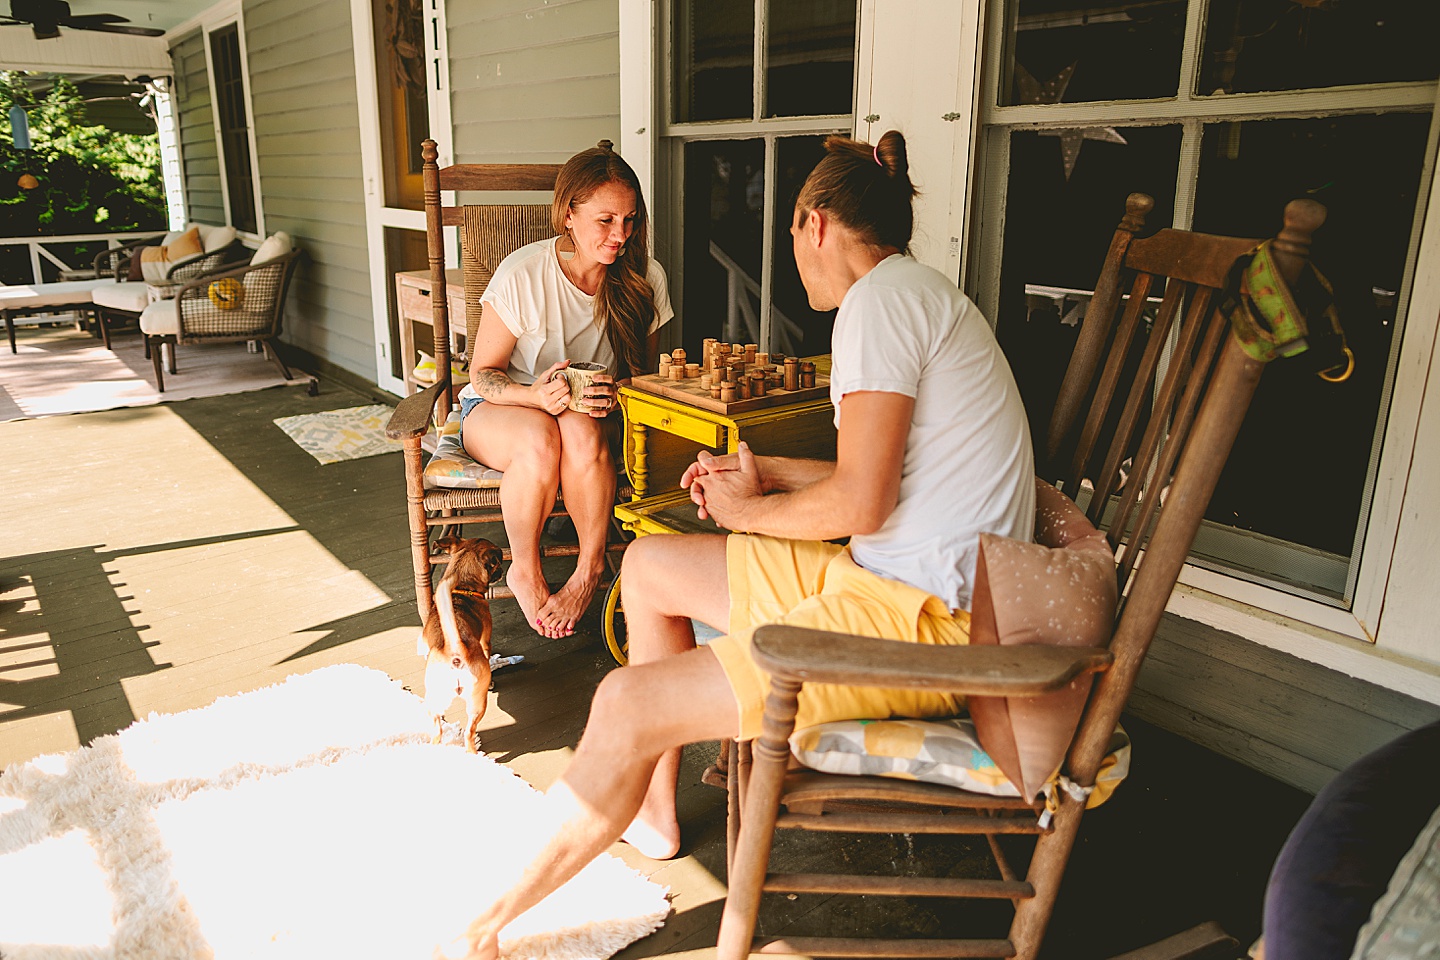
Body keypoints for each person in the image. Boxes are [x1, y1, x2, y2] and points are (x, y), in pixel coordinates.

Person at [442, 130, 1035, 959]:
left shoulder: (880, 307)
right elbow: (879, 476)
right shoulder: (911, 294)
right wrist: (761, 475)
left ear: (815, 222)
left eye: (792, 235)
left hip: (921, 623)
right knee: (645, 567)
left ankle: (476, 928)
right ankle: (649, 813)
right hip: (901, 575)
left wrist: (745, 513)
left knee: (620, 701)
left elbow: (862, 500)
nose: (795, 254)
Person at [461, 140, 673, 639]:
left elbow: (646, 375)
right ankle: (526, 570)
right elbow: (482, 375)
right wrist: (535, 396)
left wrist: (617, 392)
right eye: (605, 220)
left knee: (577, 430)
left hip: (589, 412)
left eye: (629, 219)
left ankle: (588, 569)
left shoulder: (645, 277)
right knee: (541, 437)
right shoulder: (524, 274)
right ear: (568, 215)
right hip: (505, 405)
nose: (620, 234)